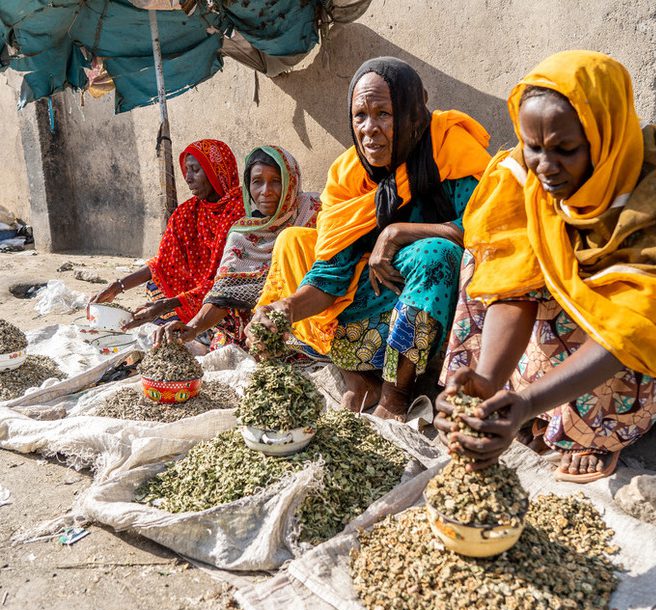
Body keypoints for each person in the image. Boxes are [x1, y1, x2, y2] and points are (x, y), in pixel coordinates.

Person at [436, 50, 656, 482]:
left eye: (565, 150)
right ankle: (520, 401)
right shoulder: (523, 179)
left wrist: (529, 402)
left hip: (654, 340)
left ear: (603, 137)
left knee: (639, 334)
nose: (545, 168)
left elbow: (628, 331)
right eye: (533, 147)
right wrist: (487, 380)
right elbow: (513, 285)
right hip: (580, 326)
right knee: (483, 259)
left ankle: (590, 432)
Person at [245, 57, 491, 421]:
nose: (369, 129)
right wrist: (287, 309)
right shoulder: (349, 175)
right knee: (296, 245)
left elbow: (482, 227)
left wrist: (396, 232)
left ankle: (395, 396)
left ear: (411, 112)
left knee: (434, 253)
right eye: (360, 116)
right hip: (377, 293)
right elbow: (330, 275)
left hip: (438, 294)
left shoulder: (446, 150)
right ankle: (359, 379)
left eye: (384, 114)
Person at [153, 146, 320, 349]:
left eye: (276, 181)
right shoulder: (243, 234)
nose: (265, 192)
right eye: (257, 182)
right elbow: (224, 292)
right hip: (260, 329)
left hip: (310, 314)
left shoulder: (313, 210)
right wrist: (193, 327)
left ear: (291, 181)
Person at [89, 139, 245, 329]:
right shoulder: (187, 213)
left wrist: (167, 305)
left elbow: (228, 282)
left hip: (224, 294)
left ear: (217, 171)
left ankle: (200, 328)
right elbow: (162, 264)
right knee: (156, 287)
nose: (188, 178)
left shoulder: (240, 212)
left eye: (196, 170)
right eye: (186, 170)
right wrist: (117, 287)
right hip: (193, 291)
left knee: (230, 312)